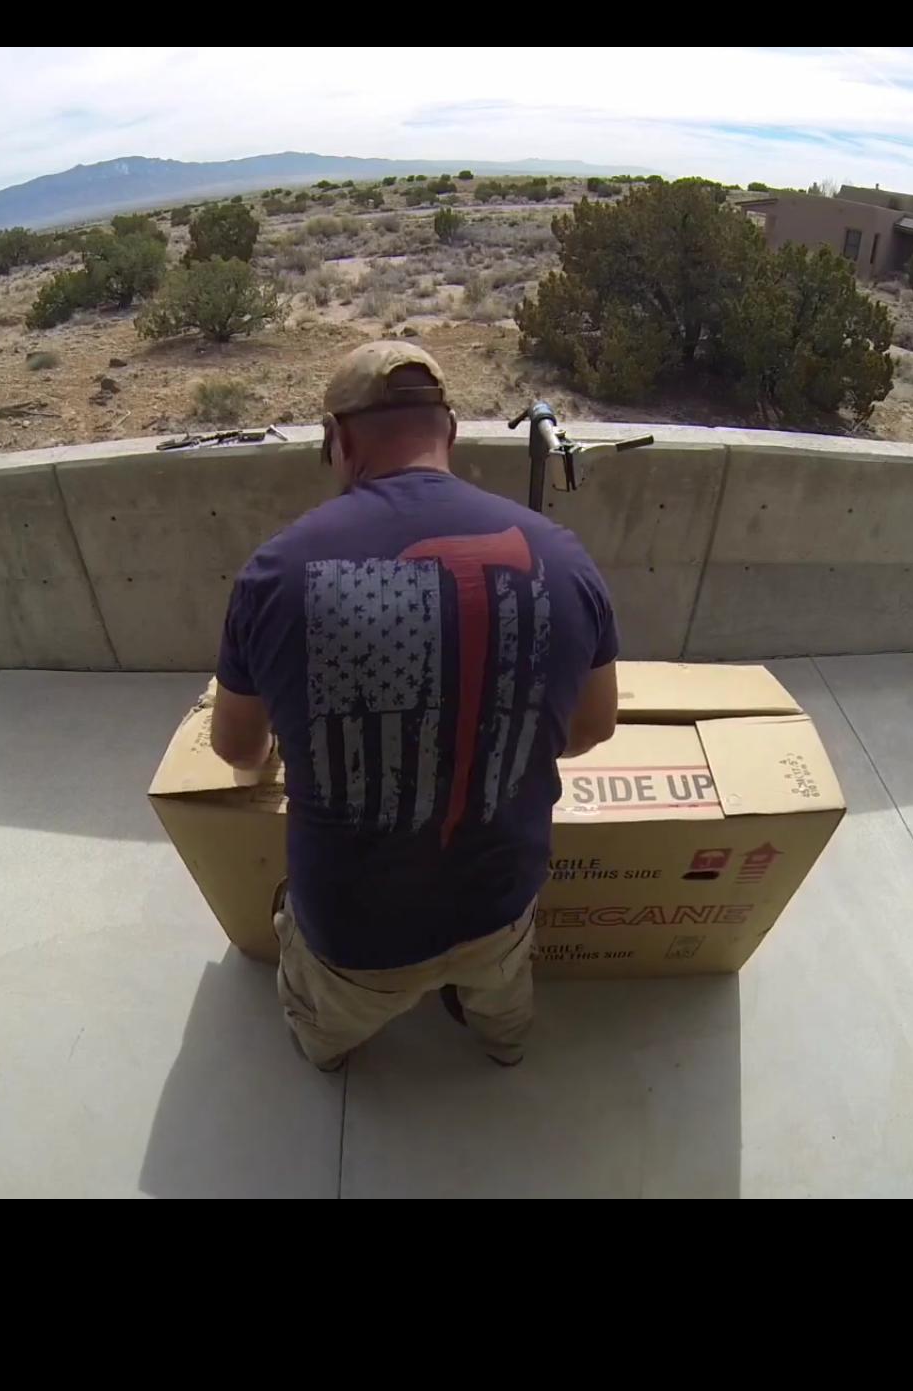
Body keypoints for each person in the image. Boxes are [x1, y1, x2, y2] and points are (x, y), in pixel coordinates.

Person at [209, 342, 620, 1072]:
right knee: (504, 1007)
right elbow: (593, 726)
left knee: (324, 1032)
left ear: (338, 440)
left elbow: (237, 749)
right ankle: (502, 1049)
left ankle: (331, 1055)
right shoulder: (563, 558)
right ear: (451, 431)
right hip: (500, 903)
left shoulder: (275, 575)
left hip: (355, 935)